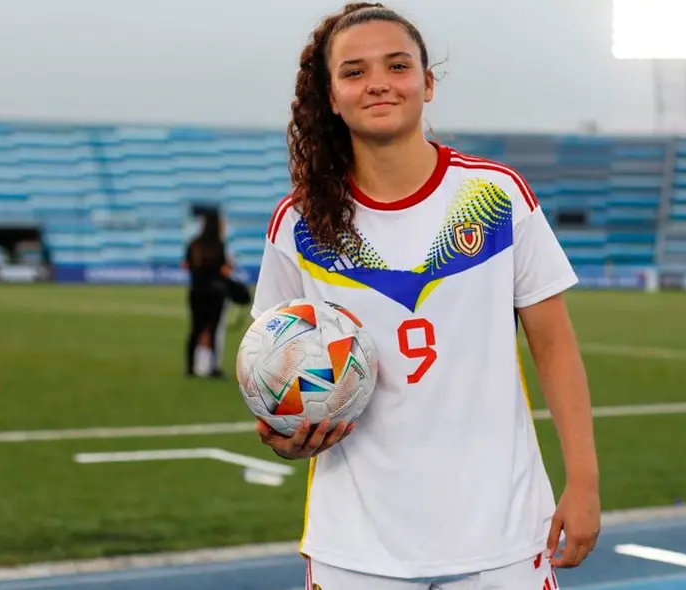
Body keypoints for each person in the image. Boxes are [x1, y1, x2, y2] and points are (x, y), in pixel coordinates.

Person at [250, 3, 600, 588]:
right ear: (331, 97)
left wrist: (584, 481)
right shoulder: (300, 224)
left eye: (397, 65)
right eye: (354, 72)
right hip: (356, 547)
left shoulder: (496, 196)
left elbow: (556, 345)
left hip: (502, 536)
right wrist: (285, 435)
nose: (378, 83)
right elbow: (270, 359)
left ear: (427, 82)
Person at [184, 210, 230, 378]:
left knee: (195, 329)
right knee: (213, 329)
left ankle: (189, 367)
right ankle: (212, 367)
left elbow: (186, 264)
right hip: (215, 294)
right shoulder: (218, 246)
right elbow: (223, 270)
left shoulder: (194, 244)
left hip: (196, 292)